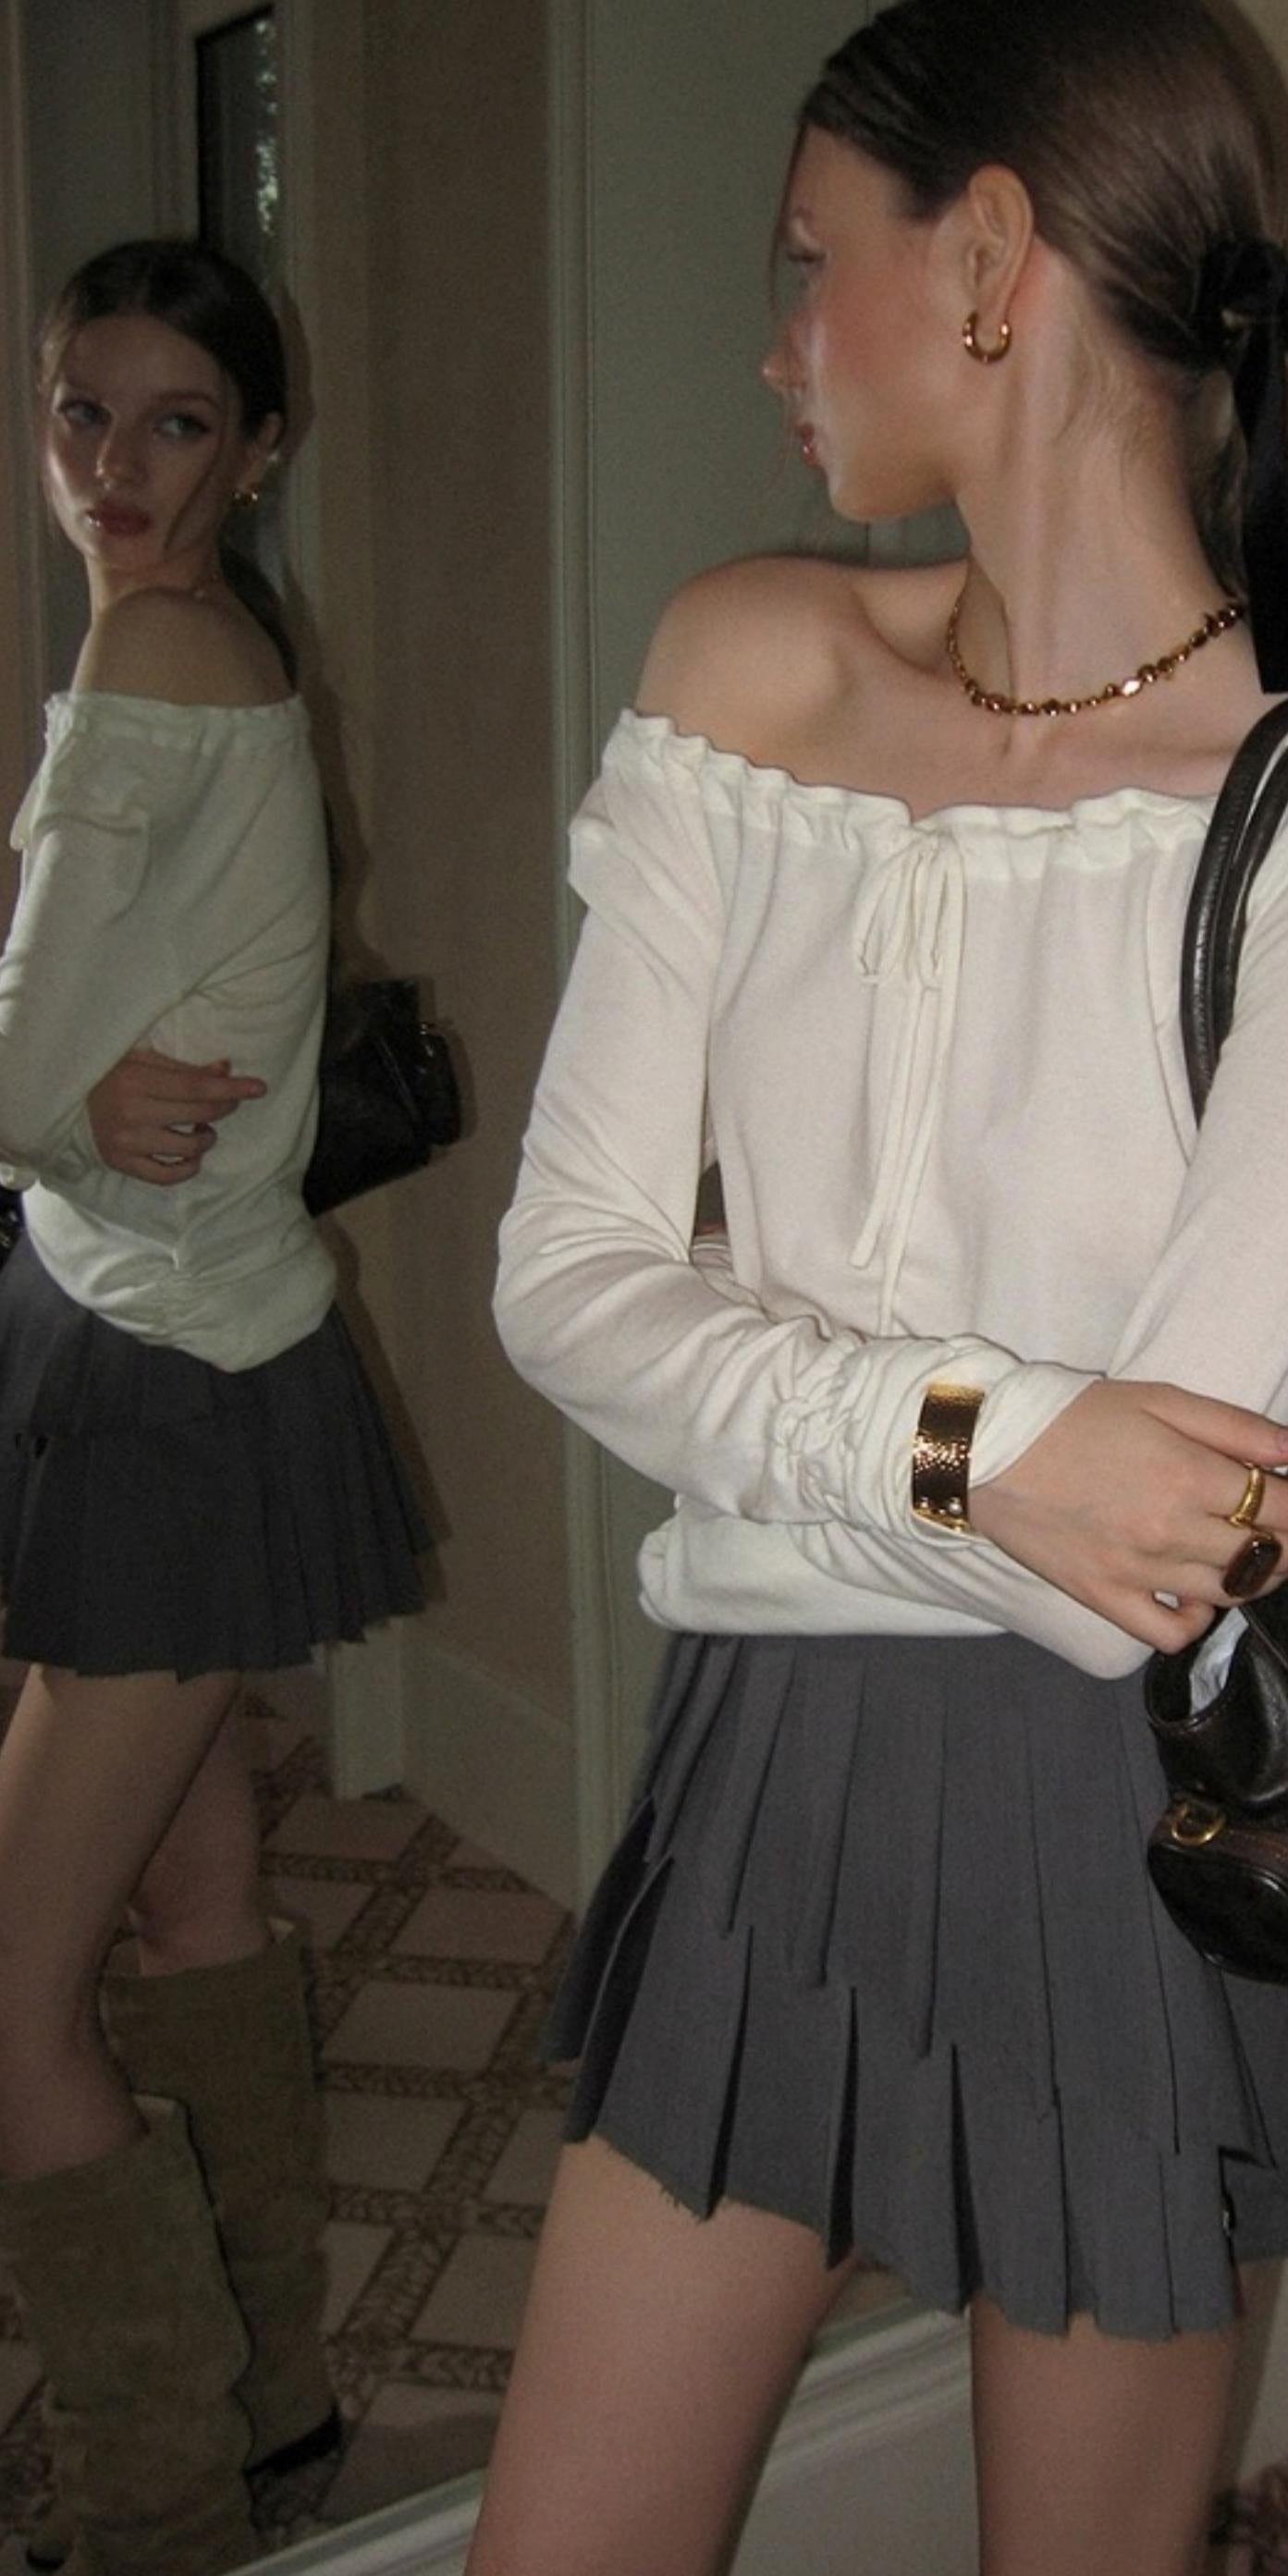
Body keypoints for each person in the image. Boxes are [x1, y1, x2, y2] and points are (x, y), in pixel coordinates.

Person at [476, 5, 1288, 2571]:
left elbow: (1132, 1578)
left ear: (993, 260)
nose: (774, 340)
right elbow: (561, 1284)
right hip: (768, 1763)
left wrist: (766, 1392)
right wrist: (986, 1443)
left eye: (806, 259)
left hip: (1132, 1814)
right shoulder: (749, 667)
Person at [0, 239, 427, 2576]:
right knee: (194, 1894)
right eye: (82, 412)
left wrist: (56, 1104)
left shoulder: (154, 651)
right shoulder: (218, 643)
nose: (114, 468)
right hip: (174, 1335)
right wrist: (74, 1108)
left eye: (175, 423)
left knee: (8, 2007)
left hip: (167, 1374)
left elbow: (13, 1057)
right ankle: (265, 2424)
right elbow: (55, 1066)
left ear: (257, 451)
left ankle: (156, 2511)